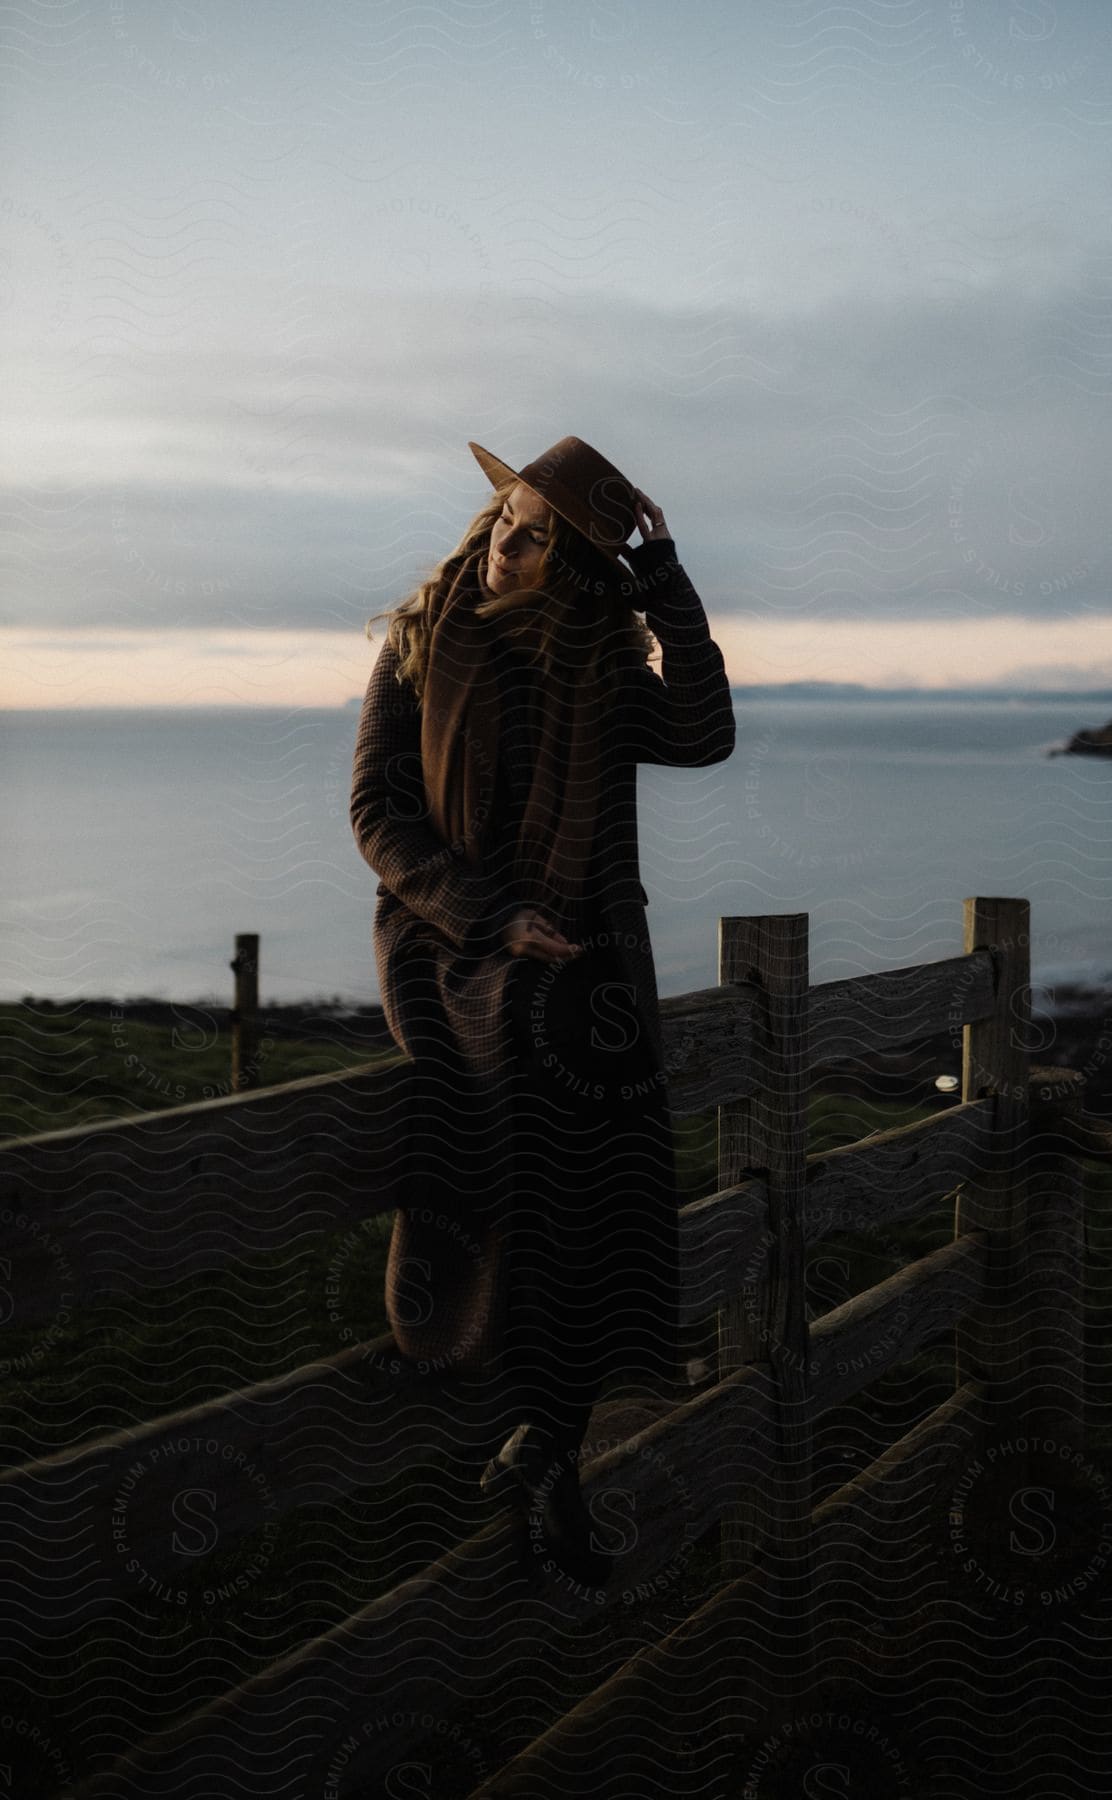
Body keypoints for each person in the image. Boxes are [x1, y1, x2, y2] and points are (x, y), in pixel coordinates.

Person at [349, 435, 735, 1586]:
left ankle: (552, 1441)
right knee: (520, 1072)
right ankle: (527, 1417)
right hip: (450, 935)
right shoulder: (421, 645)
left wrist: (665, 581)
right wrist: (487, 914)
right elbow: (375, 815)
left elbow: (707, 733)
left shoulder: (604, 671)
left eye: (531, 537)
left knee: (607, 1160)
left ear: (571, 568)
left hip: (592, 942)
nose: (502, 546)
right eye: (501, 520)